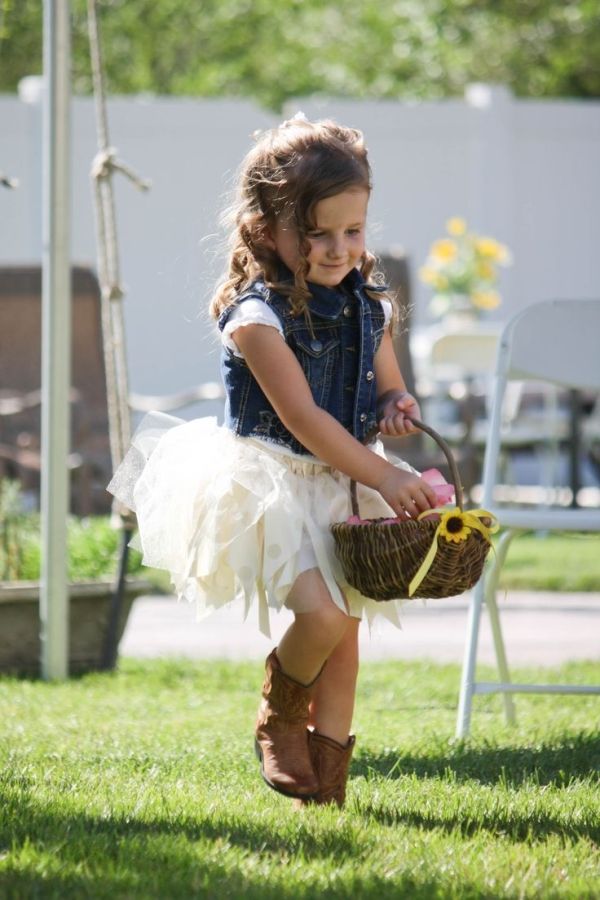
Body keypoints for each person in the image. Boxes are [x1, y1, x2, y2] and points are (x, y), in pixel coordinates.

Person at [108, 115, 437, 810]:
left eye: (353, 231)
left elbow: (386, 385)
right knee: (319, 616)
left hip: (342, 482)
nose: (338, 248)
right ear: (266, 231)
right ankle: (279, 712)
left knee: (345, 635)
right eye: (318, 232)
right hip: (270, 485)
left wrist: (397, 405)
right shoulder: (256, 318)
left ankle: (324, 794)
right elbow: (302, 418)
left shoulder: (370, 304)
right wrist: (385, 475)